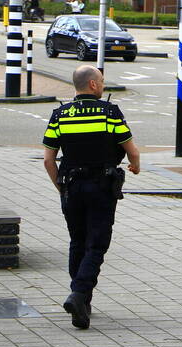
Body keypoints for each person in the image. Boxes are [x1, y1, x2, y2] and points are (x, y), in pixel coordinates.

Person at [42, 65, 140, 330]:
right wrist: (136, 165)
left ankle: (82, 304)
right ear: (94, 85)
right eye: (103, 81)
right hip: (100, 187)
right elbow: (131, 149)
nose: (104, 85)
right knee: (96, 245)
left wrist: (61, 188)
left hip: (71, 187)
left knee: (77, 241)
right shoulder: (110, 113)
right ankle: (79, 294)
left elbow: (49, 160)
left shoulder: (60, 115)